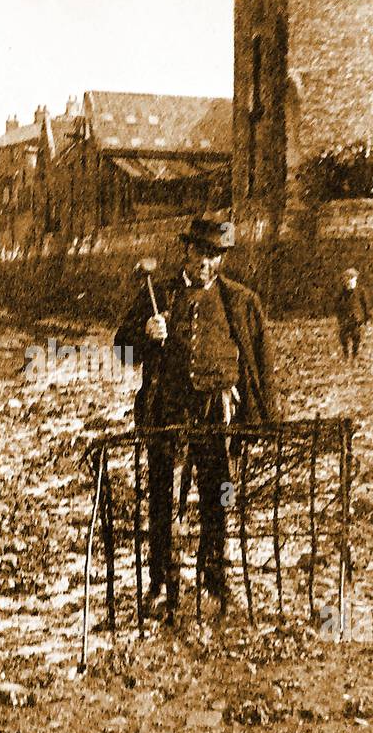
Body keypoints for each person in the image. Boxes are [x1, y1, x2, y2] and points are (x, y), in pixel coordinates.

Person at [114, 217, 275, 624]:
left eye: (214, 255)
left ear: (220, 258)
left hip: (215, 413)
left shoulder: (240, 301)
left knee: (218, 493)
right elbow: (121, 350)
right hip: (166, 411)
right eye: (200, 253)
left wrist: (263, 416)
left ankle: (214, 578)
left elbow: (260, 364)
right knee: (162, 499)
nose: (205, 262)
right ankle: (161, 583)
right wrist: (145, 333)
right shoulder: (158, 296)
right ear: (185, 252)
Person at [334, 269, 371, 359]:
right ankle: (346, 353)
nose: (350, 281)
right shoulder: (341, 293)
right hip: (345, 318)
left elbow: (365, 305)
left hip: (357, 318)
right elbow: (337, 306)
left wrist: (366, 318)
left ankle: (355, 354)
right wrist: (339, 318)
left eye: (352, 279)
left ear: (355, 279)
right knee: (343, 337)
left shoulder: (360, 291)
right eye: (347, 279)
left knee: (356, 337)